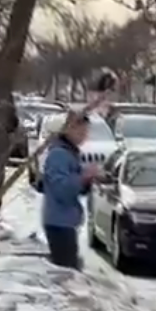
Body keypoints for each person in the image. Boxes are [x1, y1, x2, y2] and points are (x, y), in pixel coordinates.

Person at [41, 109, 99, 269]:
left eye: (86, 131)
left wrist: (87, 180)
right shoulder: (59, 154)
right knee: (65, 269)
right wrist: (83, 177)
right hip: (59, 222)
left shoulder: (69, 153)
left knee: (68, 266)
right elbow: (61, 189)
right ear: (68, 129)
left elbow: (75, 188)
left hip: (64, 221)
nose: (85, 135)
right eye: (81, 131)